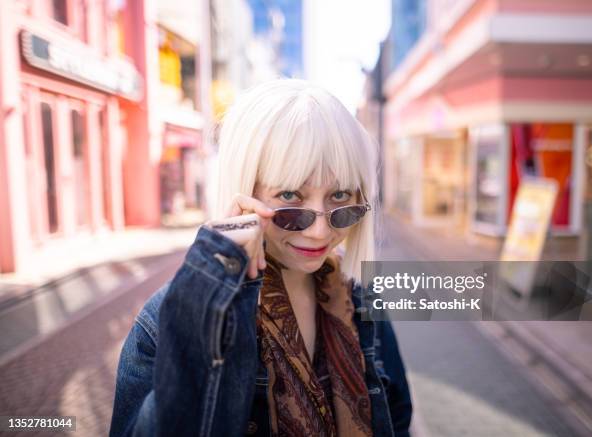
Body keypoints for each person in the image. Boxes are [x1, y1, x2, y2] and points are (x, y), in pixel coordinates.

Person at [109, 79, 412, 437]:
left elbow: (397, 420)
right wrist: (207, 293)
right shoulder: (171, 315)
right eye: (289, 195)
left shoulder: (361, 301)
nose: (319, 232)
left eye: (340, 195)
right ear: (244, 192)